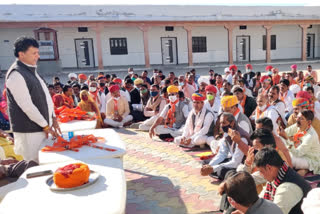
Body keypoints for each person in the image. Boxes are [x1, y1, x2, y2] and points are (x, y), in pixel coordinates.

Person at [5, 36, 60, 162]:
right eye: (34, 53)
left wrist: (53, 118)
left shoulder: (31, 70)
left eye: (38, 52)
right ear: (21, 54)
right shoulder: (16, 74)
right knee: (34, 165)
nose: (38, 56)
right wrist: (46, 126)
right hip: (29, 132)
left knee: (45, 162)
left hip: (42, 128)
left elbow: (46, 97)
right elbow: (27, 106)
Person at [254, 148, 311, 214]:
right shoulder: (279, 174)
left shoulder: (287, 188)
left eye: (261, 172)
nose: (261, 175)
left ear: (269, 168)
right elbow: (260, 201)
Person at [201, 112, 249, 180]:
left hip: (240, 165)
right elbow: (222, 154)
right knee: (205, 163)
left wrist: (213, 168)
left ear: (232, 123)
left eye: (224, 123)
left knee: (222, 172)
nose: (221, 126)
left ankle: (216, 172)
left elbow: (236, 162)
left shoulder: (241, 137)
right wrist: (210, 166)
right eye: (220, 123)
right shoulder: (227, 133)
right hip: (231, 159)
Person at [278, 110, 320, 176]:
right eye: (297, 117)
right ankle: (305, 169)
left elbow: (298, 153)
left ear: (308, 122)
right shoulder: (298, 125)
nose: (297, 120)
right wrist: (280, 133)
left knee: (288, 159)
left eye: (301, 119)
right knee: (281, 152)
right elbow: (285, 133)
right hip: (300, 153)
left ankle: (306, 169)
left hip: (310, 159)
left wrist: (286, 139)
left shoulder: (310, 136)